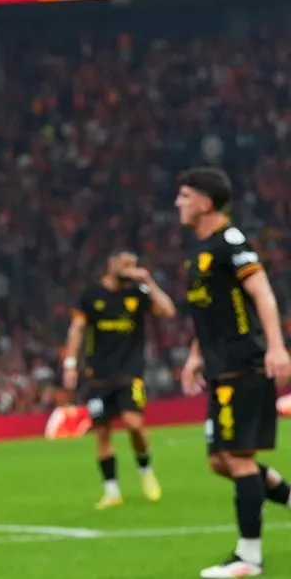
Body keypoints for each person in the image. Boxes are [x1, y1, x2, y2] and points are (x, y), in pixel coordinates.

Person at [176, 167, 291, 578]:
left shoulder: (231, 242)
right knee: (220, 461)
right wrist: (195, 355)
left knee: (239, 459)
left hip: (244, 364)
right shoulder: (200, 253)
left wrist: (276, 347)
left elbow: (262, 292)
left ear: (206, 203)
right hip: (220, 367)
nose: (177, 203)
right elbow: (209, 311)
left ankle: (249, 558)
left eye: (185, 196)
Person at [61, 250, 175, 509]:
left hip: (130, 373)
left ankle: (145, 471)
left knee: (134, 423)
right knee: (102, 432)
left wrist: (149, 282)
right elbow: (77, 328)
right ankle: (111, 491)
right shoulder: (91, 295)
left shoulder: (138, 293)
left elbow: (168, 311)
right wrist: (70, 364)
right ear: (111, 265)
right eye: (126, 264)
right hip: (98, 377)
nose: (131, 269)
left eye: (134, 264)